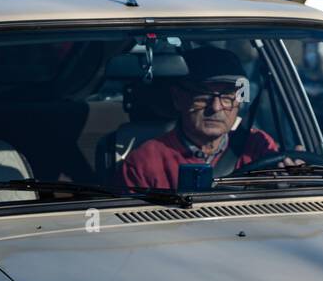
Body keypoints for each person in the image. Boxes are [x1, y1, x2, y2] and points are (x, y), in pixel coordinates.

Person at [120, 46, 282, 191]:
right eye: (203, 96)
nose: (216, 107)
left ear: (239, 102)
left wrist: (292, 175)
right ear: (178, 98)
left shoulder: (257, 146)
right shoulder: (146, 161)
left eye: (227, 97)